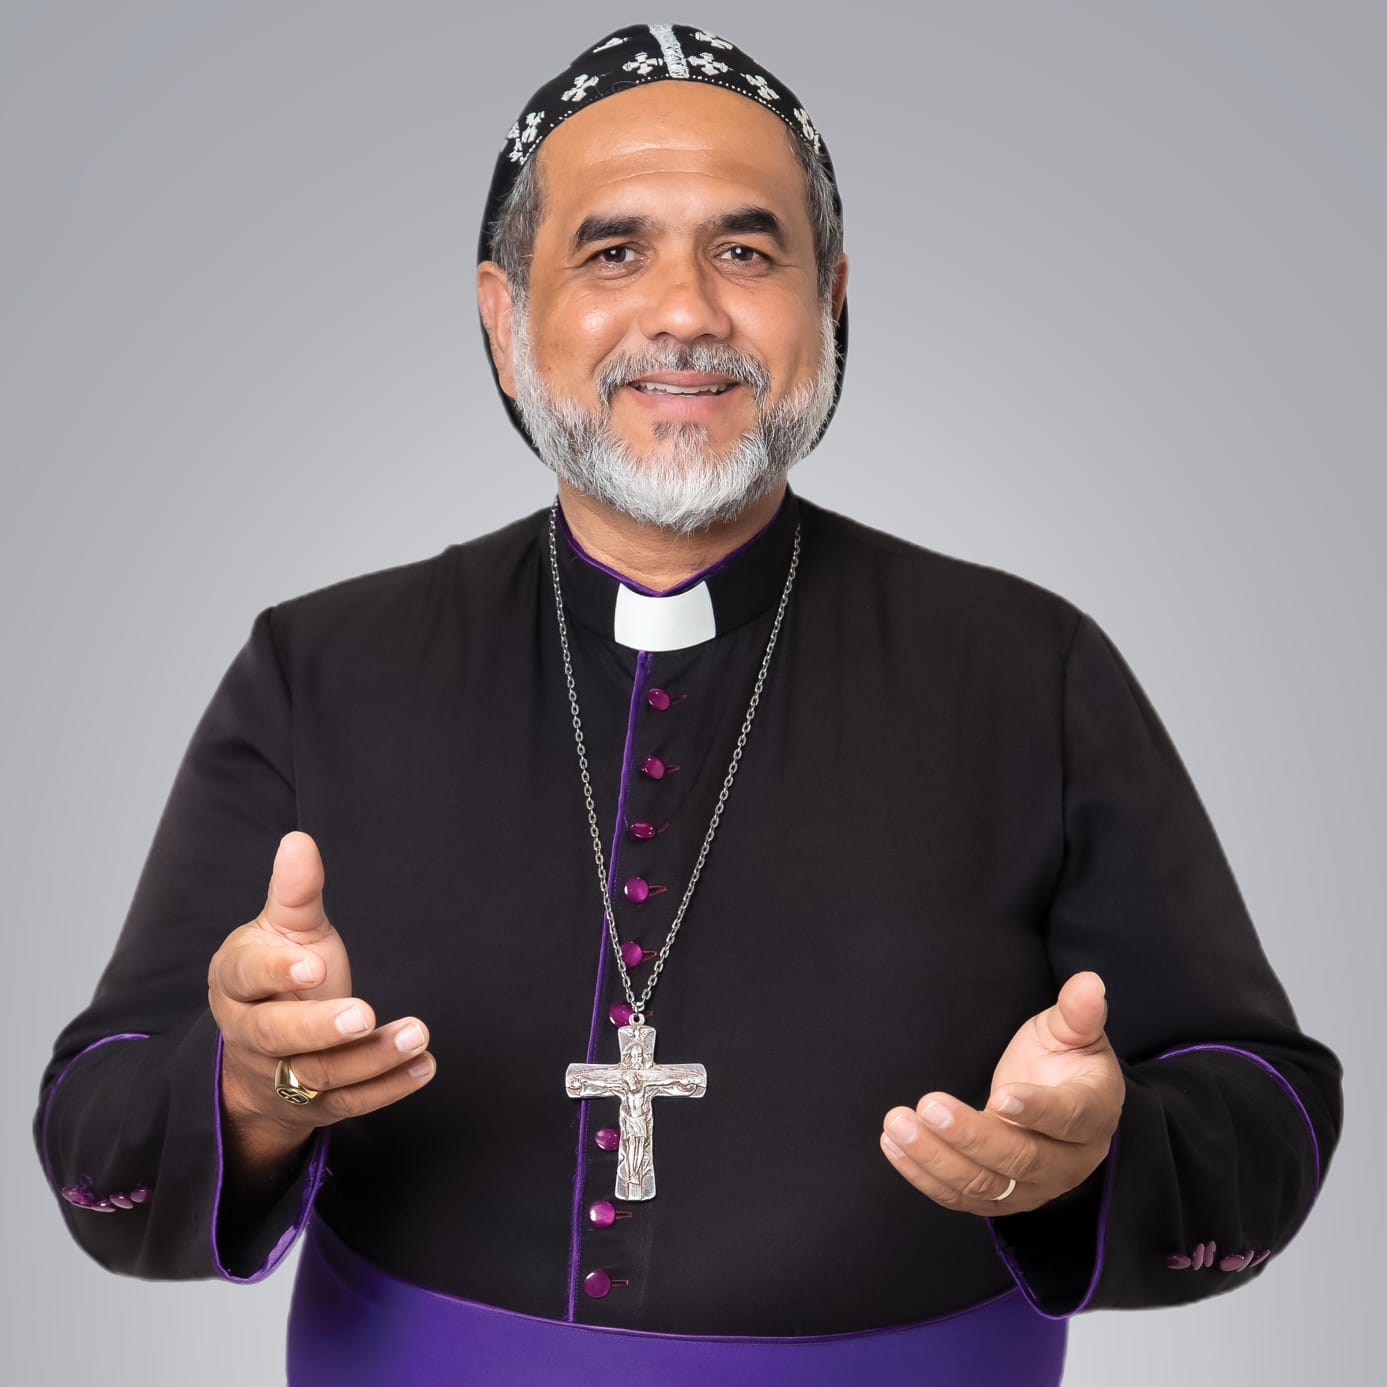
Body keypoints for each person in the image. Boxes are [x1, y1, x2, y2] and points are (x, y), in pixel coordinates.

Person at [33, 21, 1342, 1386]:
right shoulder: (322, 669)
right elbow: (95, 1131)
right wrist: (247, 1094)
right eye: (613, 252)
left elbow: (1267, 1104)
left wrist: (1095, 1156)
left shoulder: (1030, 669)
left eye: (747, 252)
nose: (686, 314)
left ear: (831, 301)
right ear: (504, 317)